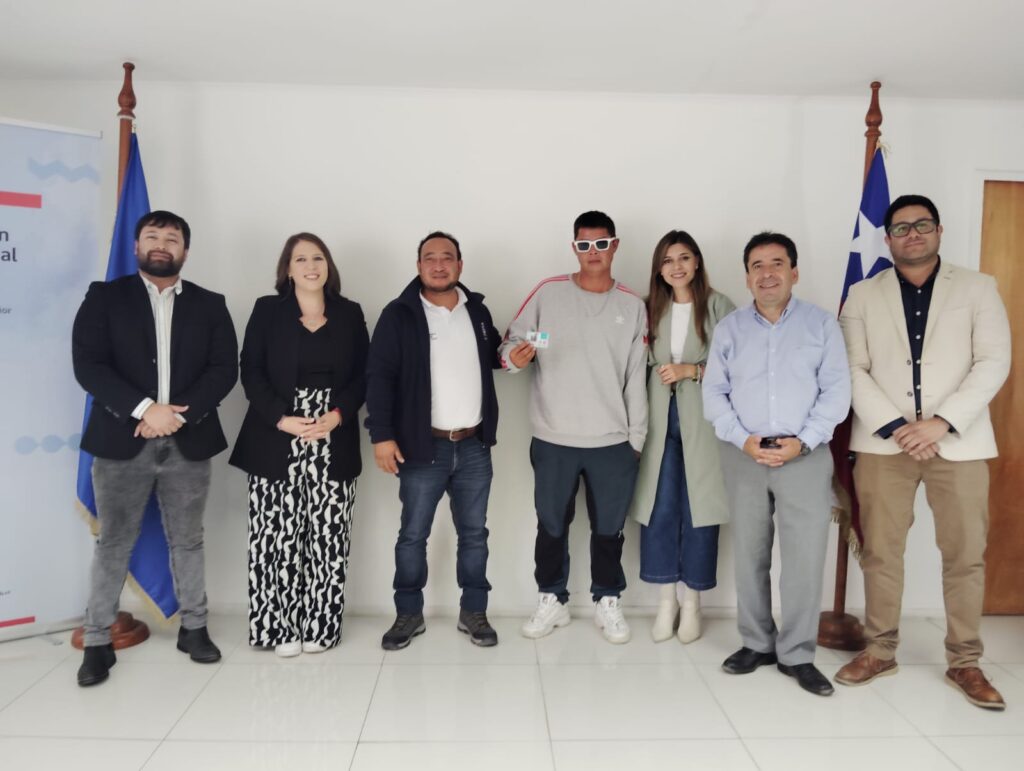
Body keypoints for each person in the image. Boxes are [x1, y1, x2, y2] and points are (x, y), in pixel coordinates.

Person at [834, 195, 1011, 710]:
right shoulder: (862, 294)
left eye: (922, 224)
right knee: (881, 552)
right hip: (883, 443)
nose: (912, 234)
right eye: (901, 227)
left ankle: (965, 661)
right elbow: (851, 367)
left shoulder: (978, 288)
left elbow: (993, 361)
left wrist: (941, 422)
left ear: (938, 231)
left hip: (959, 441)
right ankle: (879, 650)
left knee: (964, 554)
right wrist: (897, 427)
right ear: (887, 238)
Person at [71, 210, 238, 686]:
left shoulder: (210, 304)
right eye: (152, 236)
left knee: (188, 539)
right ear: (136, 246)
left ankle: (194, 628)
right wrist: (146, 410)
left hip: (188, 440)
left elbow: (224, 369)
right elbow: (89, 365)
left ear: (185, 250)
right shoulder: (105, 298)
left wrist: (175, 416)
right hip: (120, 441)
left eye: (172, 238)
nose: (162, 244)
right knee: (113, 542)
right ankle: (98, 641)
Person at [702, 231, 850, 697]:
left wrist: (802, 443)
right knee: (750, 554)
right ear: (747, 276)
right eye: (757, 266)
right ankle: (756, 643)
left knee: (804, 559)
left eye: (777, 264)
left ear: (794, 272)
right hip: (743, 454)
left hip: (804, 455)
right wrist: (743, 440)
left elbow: (837, 392)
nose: (767, 274)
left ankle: (798, 654)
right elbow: (714, 393)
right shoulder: (729, 329)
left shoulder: (821, 325)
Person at [502, 210, 648, 645]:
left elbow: (636, 376)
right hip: (554, 437)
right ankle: (552, 598)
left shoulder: (632, 305)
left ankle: (608, 599)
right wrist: (514, 358)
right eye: (584, 245)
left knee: (609, 528)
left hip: (612, 441)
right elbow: (512, 343)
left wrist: (635, 439)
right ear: (574, 248)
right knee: (551, 525)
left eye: (601, 244)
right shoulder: (548, 293)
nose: (593, 252)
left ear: (614, 246)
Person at [229, 233, 368, 657]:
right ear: (287, 269)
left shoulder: (350, 312)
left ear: (329, 266)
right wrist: (281, 418)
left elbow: (364, 374)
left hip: (333, 434)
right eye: (301, 259)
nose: (311, 266)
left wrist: (338, 415)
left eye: (318, 258)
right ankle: (278, 628)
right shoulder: (267, 310)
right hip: (276, 433)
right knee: (276, 538)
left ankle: (321, 626)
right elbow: (251, 370)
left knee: (328, 538)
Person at [366, 231, 501, 650]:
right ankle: (408, 613)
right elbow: (378, 377)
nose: (439, 265)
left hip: (474, 445)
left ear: (460, 264)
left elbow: (494, 355)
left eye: (447, 257)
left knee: (474, 534)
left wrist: (513, 356)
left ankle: (473, 611)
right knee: (413, 535)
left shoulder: (477, 311)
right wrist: (381, 436)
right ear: (419, 265)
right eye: (430, 258)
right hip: (422, 447)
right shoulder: (399, 314)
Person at [630, 231, 735, 644]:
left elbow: (740, 364)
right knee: (659, 508)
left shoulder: (719, 306)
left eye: (684, 258)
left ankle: (692, 602)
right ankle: (665, 602)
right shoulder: (647, 308)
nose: (676, 266)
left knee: (699, 510)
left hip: (703, 422)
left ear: (697, 262)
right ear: (659, 268)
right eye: (668, 260)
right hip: (657, 420)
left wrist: (694, 370)